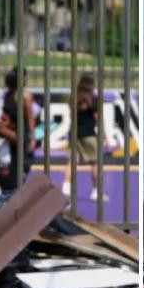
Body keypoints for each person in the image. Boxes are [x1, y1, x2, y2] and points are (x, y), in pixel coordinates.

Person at [64, 73, 110, 202]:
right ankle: (96, 191)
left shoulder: (73, 98)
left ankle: (66, 188)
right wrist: (104, 135)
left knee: (72, 162)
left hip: (74, 133)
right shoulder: (93, 100)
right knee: (96, 163)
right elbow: (98, 119)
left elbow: (71, 116)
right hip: (89, 134)